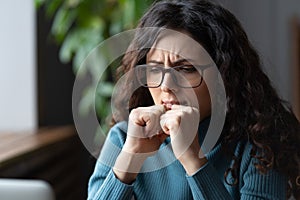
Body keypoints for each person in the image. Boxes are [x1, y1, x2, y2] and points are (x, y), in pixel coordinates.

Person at [87, 0, 300, 199]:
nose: (166, 85)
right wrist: (130, 158)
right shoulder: (124, 139)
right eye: (154, 69)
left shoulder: (261, 145)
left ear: (224, 75)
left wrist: (193, 160)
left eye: (186, 69)